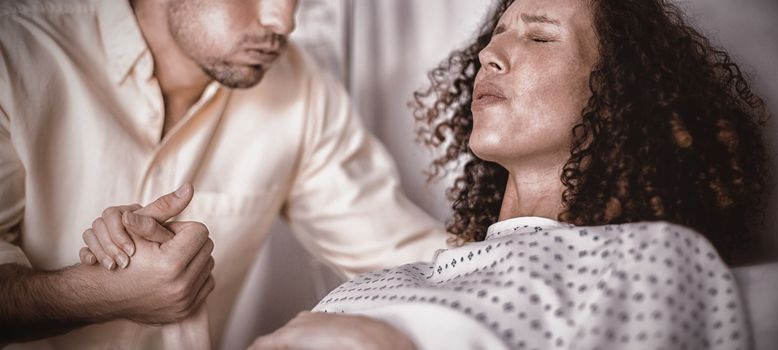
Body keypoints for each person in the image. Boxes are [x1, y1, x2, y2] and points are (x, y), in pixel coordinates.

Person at [249, 0, 774, 348]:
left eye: (540, 38)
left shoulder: (653, 258)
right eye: (497, 35)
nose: (488, 54)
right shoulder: (387, 280)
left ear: (623, 98)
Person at [0, 0, 447, 348]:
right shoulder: (15, 54)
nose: (284, 21)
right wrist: (91, 293)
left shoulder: (302, 91)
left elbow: (408, 256)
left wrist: (515, 258)